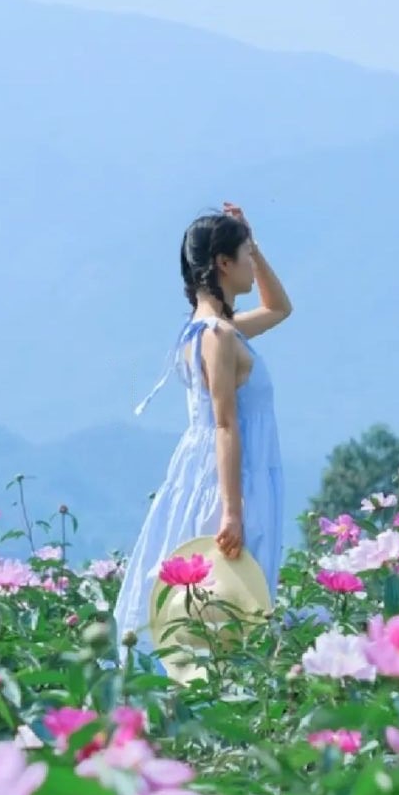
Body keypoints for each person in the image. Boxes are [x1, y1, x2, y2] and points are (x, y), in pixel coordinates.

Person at [115, 202, 292, 667]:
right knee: (229, 607)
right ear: (222, 264)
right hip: (231, 480)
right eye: (245, 256)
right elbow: (225, 423)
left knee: (221, 608)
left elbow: (279, 308)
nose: (252, 264)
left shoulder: (207, 330)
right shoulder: (217, 335)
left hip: (215, 474)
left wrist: (252, 240)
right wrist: (233, 511)